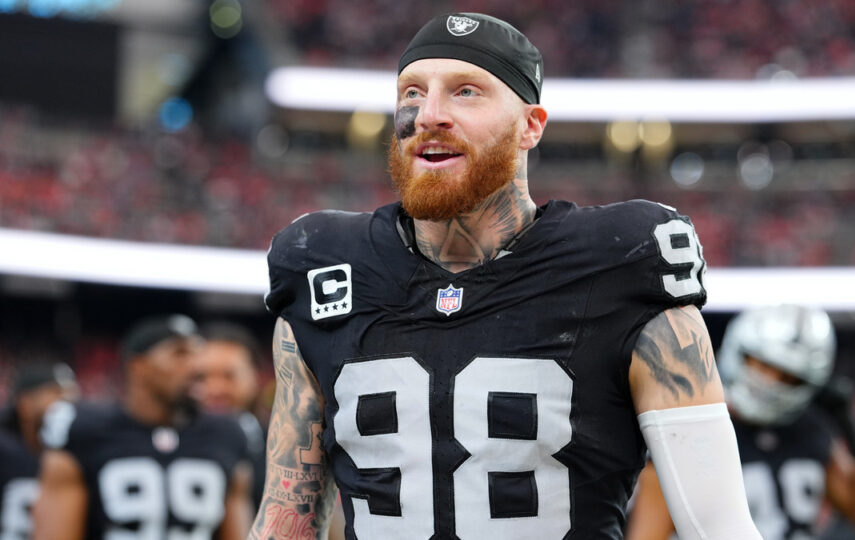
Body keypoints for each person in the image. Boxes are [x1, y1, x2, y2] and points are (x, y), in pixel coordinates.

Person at [251, 12, 761, 540]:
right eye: (411, 93)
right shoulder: (323, 265)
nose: (428, 114)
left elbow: (719, 526)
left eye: (465, 92)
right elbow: (286, 519)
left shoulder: (623, 263)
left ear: (530, 125)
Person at [626, 305, 855, 540]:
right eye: (761, 364)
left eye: (787, 376)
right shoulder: (696, 431)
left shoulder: (809, 431)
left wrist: (850, 426)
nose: (769, 382)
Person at [33, 314, 254, 540]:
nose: (196, 366)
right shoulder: (85, 429)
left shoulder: (227, 434)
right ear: (138, 366)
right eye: (179, 353)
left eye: (196, 353)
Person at [196, 322, 268, 514]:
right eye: (202, 377)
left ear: (256, 377)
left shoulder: (289, 447)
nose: (215, 389)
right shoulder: (169, 448)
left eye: (229, 376)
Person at [0, 362, 78, 539]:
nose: (68, 405)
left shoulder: (77, 454)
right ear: (25, 404)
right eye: (57, 394)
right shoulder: (5, 451)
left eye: (71, 396)